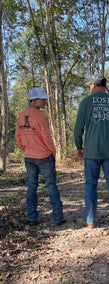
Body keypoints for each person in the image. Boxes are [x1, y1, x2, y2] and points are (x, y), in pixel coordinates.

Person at [74, 74, 109, 228]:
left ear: (93, 85)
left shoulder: (86, 102)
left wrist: (79, 147)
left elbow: (78, 128)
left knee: (91, 184)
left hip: (91, 151)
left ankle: (90, 220)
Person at [15, 87, 65, 226]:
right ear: (34, 100)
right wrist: (53, 151)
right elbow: (47, 138)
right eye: (43, 99)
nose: (45, 102)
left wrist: (26, 149)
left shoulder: (21, 116)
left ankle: (32, 218)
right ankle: (58, 218)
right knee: (51, 185)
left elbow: (18, 137)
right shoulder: (42, 117)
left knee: (32, 186)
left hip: (29, 156)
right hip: (43, 156)